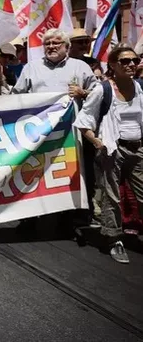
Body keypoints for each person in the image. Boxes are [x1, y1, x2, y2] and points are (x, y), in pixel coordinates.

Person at [75, 46, 143, 264]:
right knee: (112, 196)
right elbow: (84, 123)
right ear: (112, 65)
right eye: (124, 61)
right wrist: (98, 143)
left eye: (134, 60)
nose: (131, 64)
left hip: (138, 147)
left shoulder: (140, 87)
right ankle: (114, 240)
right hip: (112, 148)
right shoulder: (102, 90)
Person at [12, 28, 95, 96]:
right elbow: (16, 96)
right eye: (47, 44)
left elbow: (98, 93)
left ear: (67, 47)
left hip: (72, 116)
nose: (51, 47)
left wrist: (83, 93)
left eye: (55, 43)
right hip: (39, 116)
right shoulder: (31, 68)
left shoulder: (81, 67)